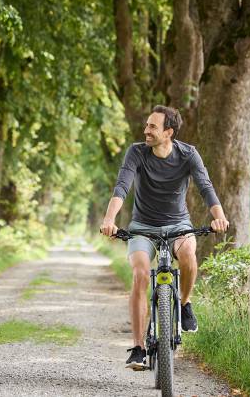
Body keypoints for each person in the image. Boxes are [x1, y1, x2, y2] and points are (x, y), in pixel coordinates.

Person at [99, 105, 228, 371]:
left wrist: (219, 217)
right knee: (140, 274)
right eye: (147, 125)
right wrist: (109, 219)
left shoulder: (188, 154)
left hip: (178, 224)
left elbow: (205, 187)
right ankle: (138, 348)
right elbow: (122, 186)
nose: (146, 130)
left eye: (152, 127)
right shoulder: (137, 152)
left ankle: (185, 302)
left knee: (188, 254)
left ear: (168, 132)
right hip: (142, 226)